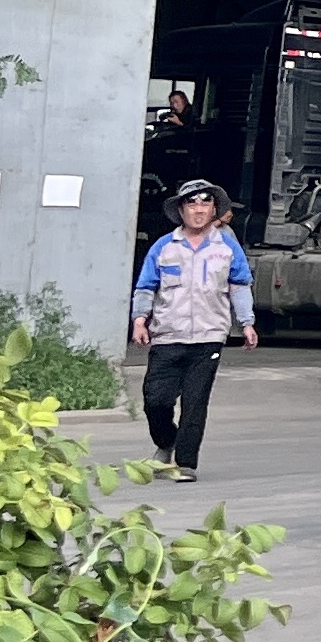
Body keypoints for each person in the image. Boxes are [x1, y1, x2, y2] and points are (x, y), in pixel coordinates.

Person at [129, 181, 256, 477]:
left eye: (205, 203)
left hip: (209, 337)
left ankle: (186, 463)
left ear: (213, 210)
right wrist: (139, 320)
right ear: (181, 210)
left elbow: (239, 286)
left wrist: (247, 322)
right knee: (155, 400)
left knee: (195, 402)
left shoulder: (227, 248)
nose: (198, 209)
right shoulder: (164, 247)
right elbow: (146, 286)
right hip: (167, 335)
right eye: (191, 203)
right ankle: (166, 441)